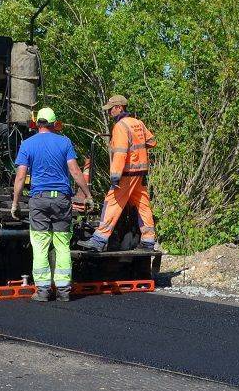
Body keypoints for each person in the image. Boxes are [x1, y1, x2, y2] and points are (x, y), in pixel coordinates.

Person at [10, 107, 91, 302]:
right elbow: (75, 171)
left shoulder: (28, 144)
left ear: (37, 123)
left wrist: (15, 203)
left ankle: (44, 291)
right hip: (62, 199)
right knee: (62, 244)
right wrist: (88, 194)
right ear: (55, 124)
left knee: (40, 244)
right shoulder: (65, 142)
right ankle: (64, 291)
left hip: (39, 199)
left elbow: (20, 176)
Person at [78, 94, 158, 252]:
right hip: (140, 173)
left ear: (119, 107)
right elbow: (151, 142)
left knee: (112, 203)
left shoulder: (121, 126)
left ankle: (98, 240)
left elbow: (120, 153)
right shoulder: (138, 123)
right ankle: (148, 241)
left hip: (126, 174)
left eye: (111, 109)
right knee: (143, 205)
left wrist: (115, 175)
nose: (109, 113)